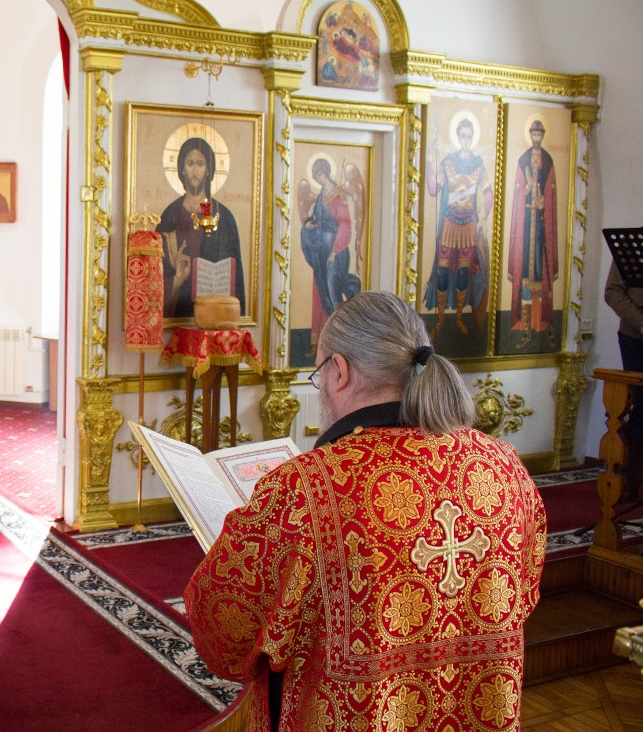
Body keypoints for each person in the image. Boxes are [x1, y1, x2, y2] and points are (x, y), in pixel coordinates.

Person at [184, 291, 546, 732]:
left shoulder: (304, 488)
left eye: (320, 372)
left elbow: (223, 628)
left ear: (339, 370)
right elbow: (523, 596)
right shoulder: (504, 466)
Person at [157, 136, 245, 319]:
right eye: (190, 163)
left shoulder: (223, 217)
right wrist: (177, 279)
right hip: (178, 311)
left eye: (201, 164)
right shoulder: (170, 215)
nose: (195, 170)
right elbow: (156, 273)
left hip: (213, 313)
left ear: (208, 170)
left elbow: (235, 275)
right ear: (182, 169)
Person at [423, 117, 493, 338]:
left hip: (468, 225)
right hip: (449, 223)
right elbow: (433, 189)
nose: (466, 140)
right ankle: (440, 319)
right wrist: (429, 161)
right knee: (442, 272)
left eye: (469, 136)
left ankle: (460, 317)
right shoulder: (448, 162)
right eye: (463, 136)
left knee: (463, 272)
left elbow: (488, 194)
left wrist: (484, 218)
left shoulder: (479, 166)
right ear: (458, 137)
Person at [297, 157, 364, 354]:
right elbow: (317, 220)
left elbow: (345, 225)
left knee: (333, 295)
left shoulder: (339, 195)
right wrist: (309, 226)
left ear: (326, 172)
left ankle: (339, 343)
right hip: (320, 252)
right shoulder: (320, 197)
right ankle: (317, 342)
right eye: (315, 176)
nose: (318, 178)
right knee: (319, 294)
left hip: (336, 253)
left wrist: (335, 250)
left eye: (320, 174)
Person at [507, 119, 559, 348]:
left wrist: (544, 202)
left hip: (541, 230)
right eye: (534, 134)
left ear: (542, 136)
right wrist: (527, 191)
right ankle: (526, 329)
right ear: (530, 136)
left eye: (539, 134)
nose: (537, 138)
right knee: (526, 279)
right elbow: (518, 194)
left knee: (542, 275)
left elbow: (552, 194)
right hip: (526, 228)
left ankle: (546, 326)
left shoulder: (548, 160)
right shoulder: (523, 160)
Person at [604, 256, 643, 500]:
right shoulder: (630, 249)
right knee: (641, 406)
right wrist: (641, 323)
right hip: (635, 337)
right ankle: (631, 479)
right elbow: (612, 292)